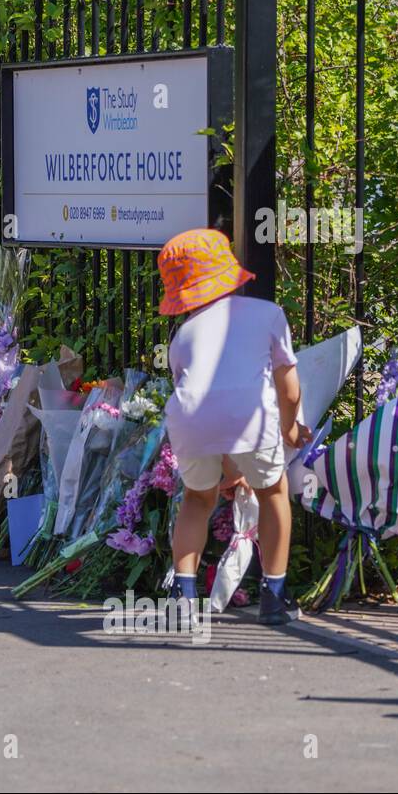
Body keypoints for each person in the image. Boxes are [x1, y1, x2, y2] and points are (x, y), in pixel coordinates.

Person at [157, 229, 311, 626]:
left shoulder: (182, 336)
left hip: (191, 422)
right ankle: (274, 595)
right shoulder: (267, 314)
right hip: (252, 420)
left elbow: (207, 406)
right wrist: (291, 430)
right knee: (273, 491)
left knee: (196, 500)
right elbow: (289, 391)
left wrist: (228, 468)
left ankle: (183, 597)